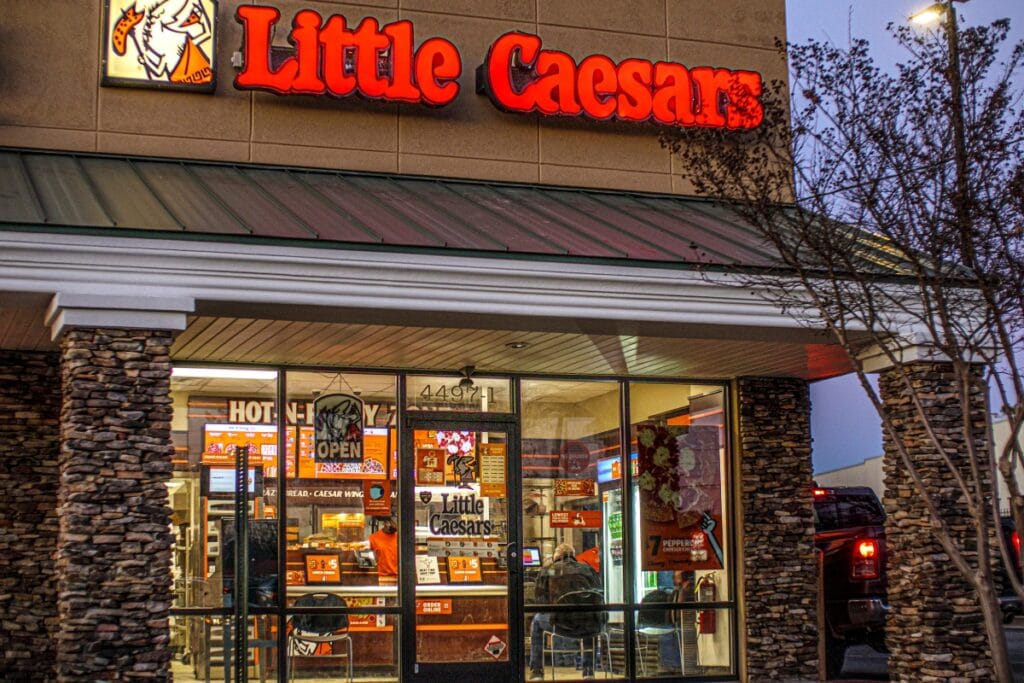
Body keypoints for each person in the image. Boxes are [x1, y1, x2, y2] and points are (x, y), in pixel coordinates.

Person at [528, 543, 603, 680]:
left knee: (537, 621)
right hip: (587, 625)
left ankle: (537, 671)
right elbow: (598, 596)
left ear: (557, 556)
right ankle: (588, 671)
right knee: (591, 617)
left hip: (561, 624)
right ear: (573, 556)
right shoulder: (588, 569)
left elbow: (540, 601)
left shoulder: (549, 570)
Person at [367, 514, 398, 584]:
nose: (395, 526)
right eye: (394, 523)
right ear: (386, 523)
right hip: (381, 578)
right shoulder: (373, 538)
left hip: (398, 578)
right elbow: (368, 562)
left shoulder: (400, 538)